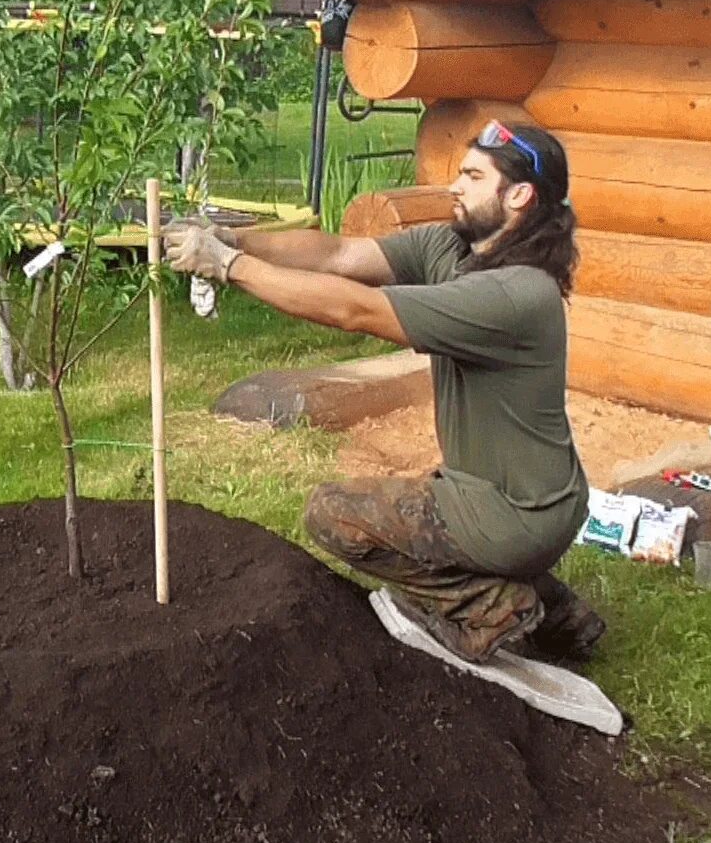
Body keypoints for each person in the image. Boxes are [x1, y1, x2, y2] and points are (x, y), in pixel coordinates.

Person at [165, 121, 604, 664]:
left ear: (518, 196)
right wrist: (235, 238)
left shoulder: (514, 294)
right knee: (419, 506)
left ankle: (492, 607)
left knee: (336, 514)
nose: (455, 187)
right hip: (527, 500)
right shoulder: (456, 250)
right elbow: (339, 256)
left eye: (472, 176)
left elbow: (357, 309)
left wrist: (231, 267)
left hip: (518, 514)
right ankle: (558, 612)